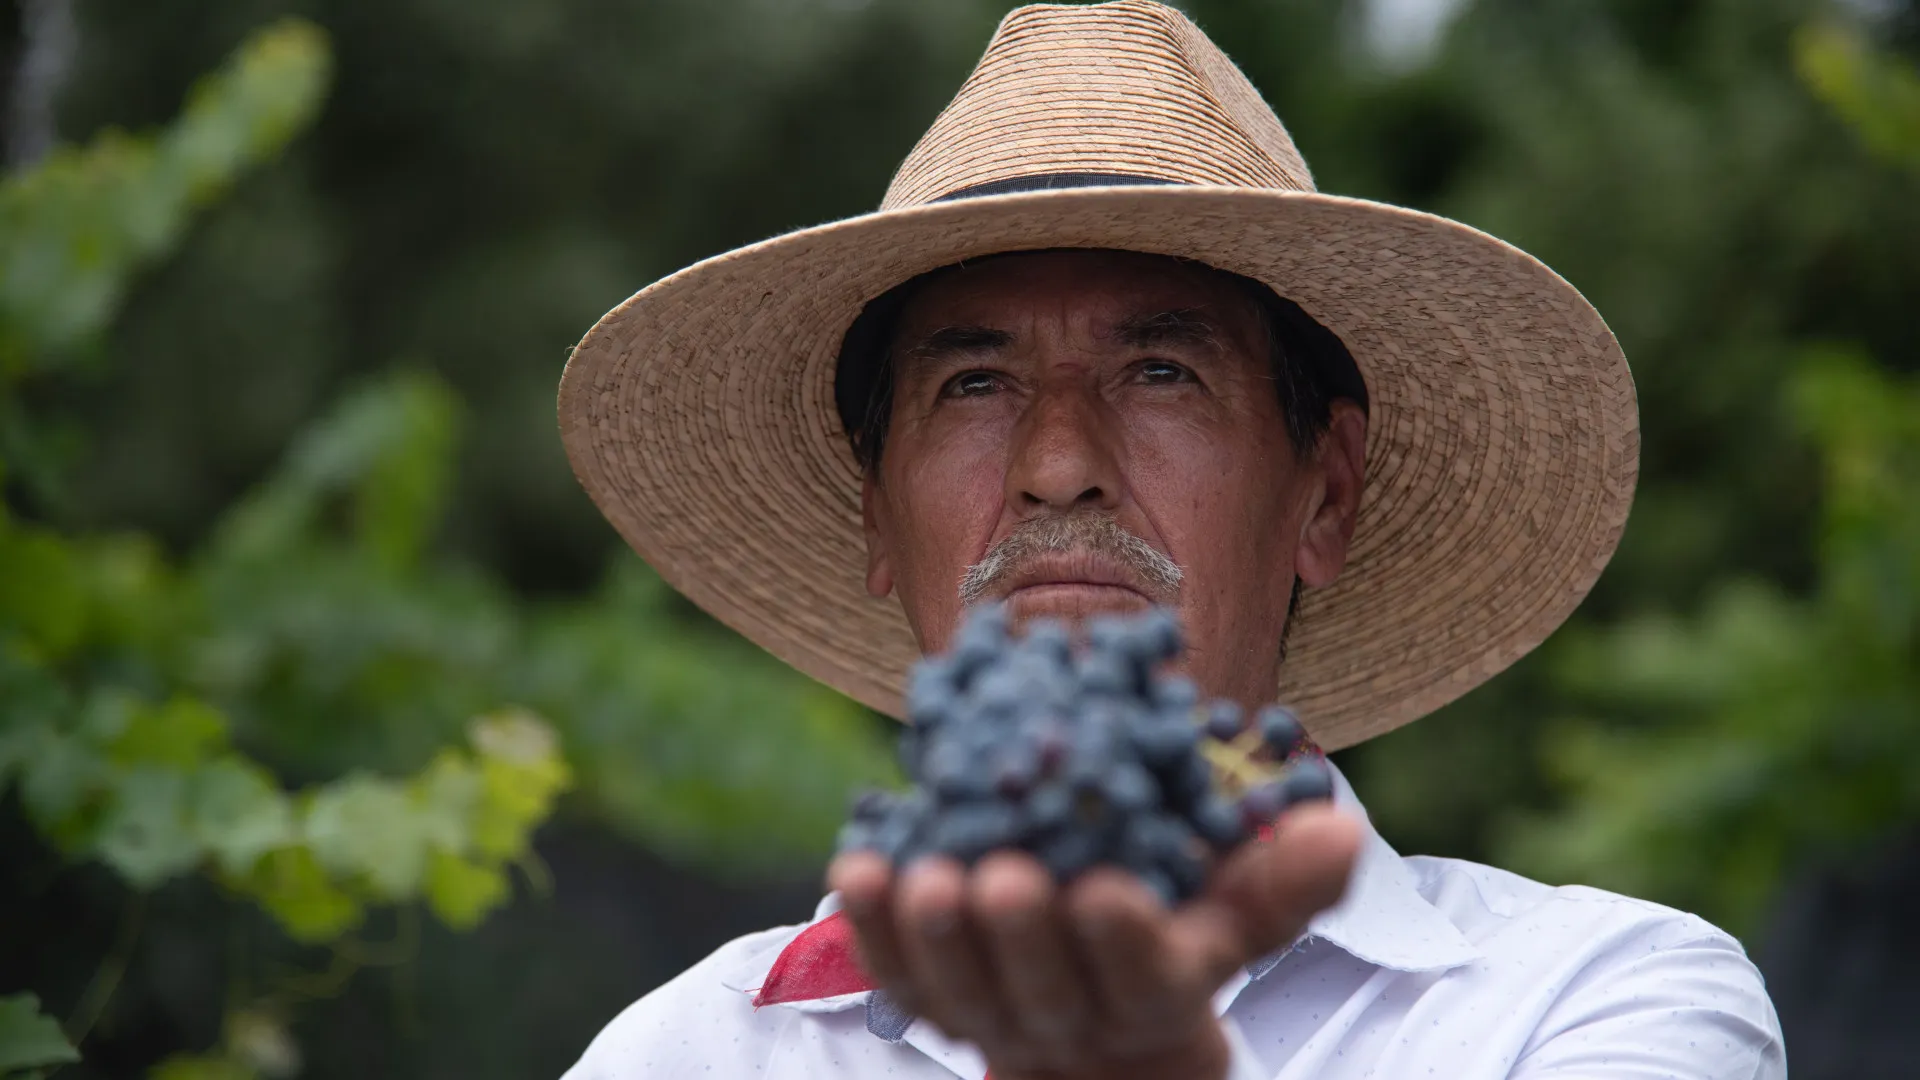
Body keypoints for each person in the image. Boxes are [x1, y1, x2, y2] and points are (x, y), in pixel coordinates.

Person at [554, 3, 1784, 1078]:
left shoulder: (1590, 998)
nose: (1058, 467)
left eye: (1160, 372)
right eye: (973, 384)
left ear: (1326, 495)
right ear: (878, 515)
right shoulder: (684, 1055)